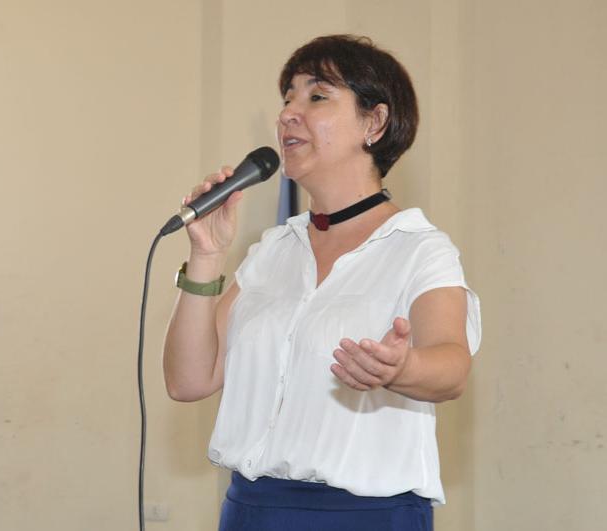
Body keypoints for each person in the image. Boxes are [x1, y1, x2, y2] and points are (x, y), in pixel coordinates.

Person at [163, 34, 481, 531]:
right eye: (287, 98)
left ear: (374, 123)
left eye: (316, 96)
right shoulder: (274, 251)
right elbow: (187, 381)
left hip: (364, 516)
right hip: (250, 511)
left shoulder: (418, 248)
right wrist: (206, 256)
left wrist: (403, 366)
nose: (288, 114)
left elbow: (453, 366)